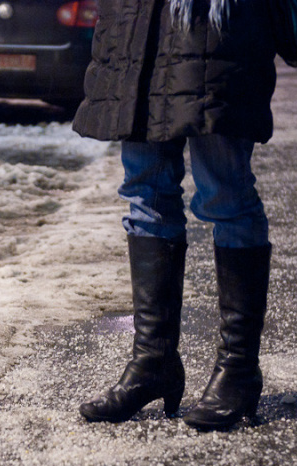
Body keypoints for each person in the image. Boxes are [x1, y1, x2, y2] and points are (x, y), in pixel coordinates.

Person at [73, 0, 277, 430]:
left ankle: (239, 371)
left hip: (213, 31)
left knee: (225, 193)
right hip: (137, 30)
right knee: (145, 193)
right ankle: (153, 361)